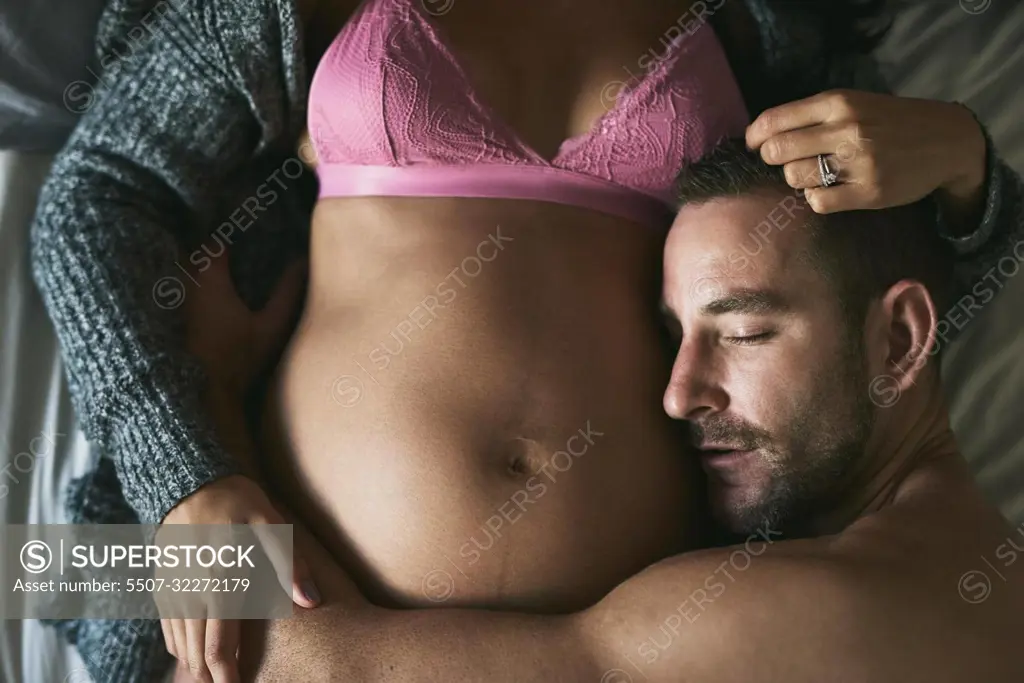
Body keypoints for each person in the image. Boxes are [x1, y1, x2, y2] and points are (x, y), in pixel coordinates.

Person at [28, 0, 1024, 681]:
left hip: (645, 632)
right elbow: (95, 196)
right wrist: (184, 478)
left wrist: (967, 166)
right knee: (56, 568)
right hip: (254, 585)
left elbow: (871, 302)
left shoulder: (761, 27)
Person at [238, 141, 1024, 682]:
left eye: (744, 330)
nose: (679, 393)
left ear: (901, 337)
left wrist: (203, 418)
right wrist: (965, 157)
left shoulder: (815, 610)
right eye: (671, 334)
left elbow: (297, 668)